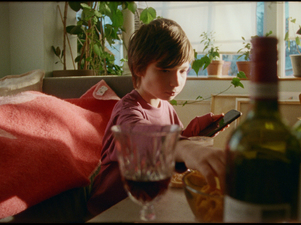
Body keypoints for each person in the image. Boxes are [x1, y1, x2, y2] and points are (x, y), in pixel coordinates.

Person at [86, 18, 226, 217]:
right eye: (165, 70)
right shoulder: (127, 110)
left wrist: (196, 131)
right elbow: (139, 137)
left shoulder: (167, 108)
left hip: (150, 206)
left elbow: (170, 150)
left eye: (183, 71)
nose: (176, 82)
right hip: (111, 211)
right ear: (138, 69)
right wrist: (186, 148)